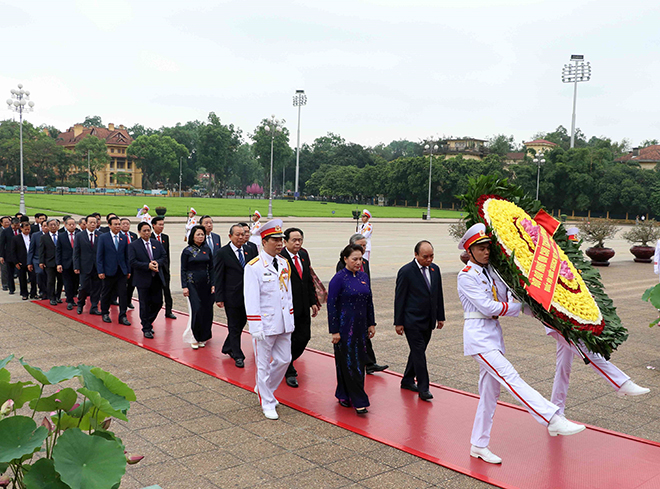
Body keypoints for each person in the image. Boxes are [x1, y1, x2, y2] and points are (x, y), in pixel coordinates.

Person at [457, 223, 585, 465]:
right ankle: (552, 418)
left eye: (487, 248)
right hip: (478, 338)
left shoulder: (492, 272)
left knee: (489, 394)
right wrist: (517, 307)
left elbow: (507, 298)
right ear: (469, 250)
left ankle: (479, 444)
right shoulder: (466, 277)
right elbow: (488, 307)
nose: (486, 252)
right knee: (510, 377)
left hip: (493, 335)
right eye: (481, 248)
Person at [244, 219, 294, 420]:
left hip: (283, 321)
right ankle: (267, 402)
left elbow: (287, 293)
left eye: (281, 239)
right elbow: (251, 297)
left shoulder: (283, 263)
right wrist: (254, 325)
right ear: (264, 241)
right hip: (264, 323)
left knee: (284, 360)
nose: (280, 243)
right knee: (263, 365)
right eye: (275, 240)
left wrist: (290, 318)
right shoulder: (254, 266)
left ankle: (265, 389)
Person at [327, 244, 376, 414]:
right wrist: (334, 330)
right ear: (345, 259)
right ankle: (359, 400)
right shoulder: (338, 279)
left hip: (360, 329)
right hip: (344, 328)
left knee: (358, 363)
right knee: (348, 364)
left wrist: (371, 323)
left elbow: (369, 301)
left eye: (360, 259)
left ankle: (343, 394)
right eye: (354, 259)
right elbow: (331, 305)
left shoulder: (363, 276)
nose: (358, 262)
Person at [394, 240, 445, 401]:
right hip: (412, 321)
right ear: (416, 255)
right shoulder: (406, 271)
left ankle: (407, 380)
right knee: (419, 354)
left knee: (418, 352)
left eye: (431, 256)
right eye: (425, 257)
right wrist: (398, 322)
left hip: (428, 320)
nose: (429, 260)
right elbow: (400, 298)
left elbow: (438, 294)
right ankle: (424, 388)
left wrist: (440, 316)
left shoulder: (435, 269)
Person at [336, 233, 388, 375]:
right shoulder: (343, 265)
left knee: (366, 336)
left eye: (365, 245)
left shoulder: (365, 263)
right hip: (350, 309)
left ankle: (370, 363)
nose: (364, 248)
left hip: (363, 305)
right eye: (360, 245)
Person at [280, 227, 319, 387]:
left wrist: (313, 301)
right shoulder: (280, 258)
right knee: (289, 339)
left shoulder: (303, 255)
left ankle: (284, 361)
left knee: (304, 337)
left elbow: (308, 280)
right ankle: (287, 369)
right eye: (294, 240)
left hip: (303, 305)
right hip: (288, 307)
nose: (297, 243)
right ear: (285, 241)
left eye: (300, 240)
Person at [214, 224, 258, 367]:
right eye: (238, 234)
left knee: (241, 323)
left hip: (248, 295)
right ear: (230, 236)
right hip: (231, 295)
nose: (241, 237)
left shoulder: (250, 249)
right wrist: (219, 297)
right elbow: (218, 276)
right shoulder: (222, 252)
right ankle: (237, 354)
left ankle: (228, 346)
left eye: (243, 234)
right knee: (233, 325)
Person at [129, 222, 166, 339]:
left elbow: (163, 256)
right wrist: (147, 266)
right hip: (142, 279)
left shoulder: (157, 243)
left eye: (148, 230)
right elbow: (132, 261)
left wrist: (157, 263)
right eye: (144, 231)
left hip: (156, 278)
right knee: (144, 304)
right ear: (139, 232)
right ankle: (146, 328)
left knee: (158, 302)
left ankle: (148, 321)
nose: (147, 233)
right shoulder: (134, 245)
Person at [181, 225, 215, 349]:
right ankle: (194, 337)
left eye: (202, 234)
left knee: (207, 310)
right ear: (193, 236)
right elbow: (183, 269)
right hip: (192, 283)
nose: (201, 237)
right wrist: (184, 286)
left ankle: (203, 336)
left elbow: (211, 268)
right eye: (198, 234)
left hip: (206, 283)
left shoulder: (207, 249)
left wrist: (213, 284)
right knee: (197, 309)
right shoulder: (187, 251)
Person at [96, 216, 131, 326]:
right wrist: (100, 271)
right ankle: (105, 313)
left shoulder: (123, 238)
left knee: (123, 294)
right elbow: (99, 256)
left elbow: (126, 256)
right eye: (115, 224)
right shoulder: (103, 237)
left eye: (118, 224)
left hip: (121, 271)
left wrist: (128, 270)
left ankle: (123, 315)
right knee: (106, 293)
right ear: (110, 225)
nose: (117, 226)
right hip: (108, 270)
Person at [74, 215, 102, 315]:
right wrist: (76, 266)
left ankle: (94, 306)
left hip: (97, 266)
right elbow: (76, 252)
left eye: (95, 222)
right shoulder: (79, 235)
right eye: (91, 222)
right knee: (84, 287)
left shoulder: (100, 235)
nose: (93, 224)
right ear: (86, 223)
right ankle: (80, 304)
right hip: (84, 266)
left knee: (97, 287)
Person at [151, 217, 176, 319]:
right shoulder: (150, 237)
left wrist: (167, 268)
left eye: (163, 225)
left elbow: (167, 255)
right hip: (154, 269)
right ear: (153, 225)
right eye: (159, 224)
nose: (161, 227)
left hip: (164, 269)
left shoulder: (165, 237)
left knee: (167, 291)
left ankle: (169, 311)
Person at [56, 217, 80, 310]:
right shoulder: (61, 236)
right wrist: (59, 263)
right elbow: (58, 251)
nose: (71, 226)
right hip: (66, 263)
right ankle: (69, 300)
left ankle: (74, 297)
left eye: (73, 224)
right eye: (69, 224)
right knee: (67, 283)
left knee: (76, 283)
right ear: (65, 225)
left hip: (77, 263)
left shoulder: (79, 234)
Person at [39, 218, 63, 306]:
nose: (53, 226)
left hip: (60, 262)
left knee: (61, 280)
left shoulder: (61, 235)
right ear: (48, 227)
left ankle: (58, 296)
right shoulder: (44, 237)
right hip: (49, 262)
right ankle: (51, 297)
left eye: (55, 225)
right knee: (50, 280)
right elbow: (41, 250)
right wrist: (41, 261)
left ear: (58, 226)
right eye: (51, 225)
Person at [12, 221, 35, 300]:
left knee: (33, 278)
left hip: (31, 261)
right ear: (21, 229)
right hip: (21, 261)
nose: (27, 231)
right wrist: (16, 262)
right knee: (22, 278)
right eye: (25, 229)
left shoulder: (32, 236)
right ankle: (24, 293)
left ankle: (33, 293)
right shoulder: (16, 238)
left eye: (28, 229)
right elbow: (13, 251)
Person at [120, 218, 137, 309]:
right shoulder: (118, 236)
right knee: (122, 285)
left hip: (132, 263)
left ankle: (128, 301)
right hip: (123, 263)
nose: (126, 225)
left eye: (127, 224)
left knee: (132, 284)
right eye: (123, 224)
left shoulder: (133, 235)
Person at [28, 221, 48, 299]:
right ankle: (43, 291)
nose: (46, 227)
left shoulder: (53, 235)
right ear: (41, 227)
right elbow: (31, 250)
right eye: (44, 226)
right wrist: (29, 262)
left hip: (48, 259)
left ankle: (48, 292)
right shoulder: (35, 235)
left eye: (47, 226)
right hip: (37, 259)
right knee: (40, 274)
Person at [0, 217, 20, 294]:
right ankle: (11, 288)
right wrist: (1, 256)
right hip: (9, 255)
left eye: (18, 225)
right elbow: (2, 244)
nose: (16, 227)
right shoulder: (5, 231)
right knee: (10, 273)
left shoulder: (21, 230)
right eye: (15, 226)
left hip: (19, 255)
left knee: (20, 273)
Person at [0, 216, 10, 291]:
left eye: (8, 222)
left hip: (9, 252)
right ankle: (5, 284)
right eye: (5, 222)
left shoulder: (10, 230)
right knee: (4, 269)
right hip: (2, 252)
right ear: (1, 223)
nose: (7, 223)